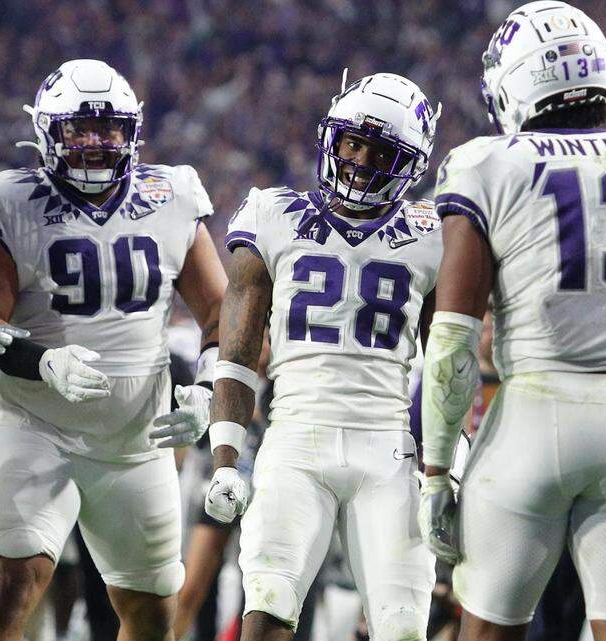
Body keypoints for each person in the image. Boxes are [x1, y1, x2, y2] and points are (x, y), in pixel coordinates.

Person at [417, 2, 606, 640]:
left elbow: (451, 342)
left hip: (533, 415)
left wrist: (435, 472)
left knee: (484, 633)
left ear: (514, 81)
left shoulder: (488, 164)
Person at [0, 58, 227, 641]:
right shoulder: (11, 199)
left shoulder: (171, 193)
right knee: (13, 584)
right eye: (81, 128)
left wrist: (207, 389)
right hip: (39, 427)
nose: (97, 142)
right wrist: (42, 361)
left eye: (109, 128)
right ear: (47, 133)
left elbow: (220, 312)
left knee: (153, 615)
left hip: (138, 441)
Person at [205, 71, 443, 641]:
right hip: (294, 438)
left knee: (403, 627)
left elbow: (446, 361)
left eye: (379, 151)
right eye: (352, 143)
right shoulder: (272, 213)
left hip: (390, 447)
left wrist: (446, 466)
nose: (359, 160)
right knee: (265, 611)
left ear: (410, 163)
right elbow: (238, 352)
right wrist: (224, 456)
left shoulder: (437, 232)